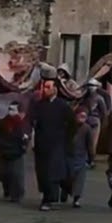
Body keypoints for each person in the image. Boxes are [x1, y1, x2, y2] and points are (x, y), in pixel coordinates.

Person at [29, 75, 75, 211]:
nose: (45, 90)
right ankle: (47, 194)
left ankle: (49, 199)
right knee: (42, 172)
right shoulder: (39, 105)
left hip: (56, 144)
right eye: (44, 87)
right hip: (41, 144)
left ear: (55, 89)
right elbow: (32, 121)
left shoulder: (62, 106)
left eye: (48, 87)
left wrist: (66, 139)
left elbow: (73, 124)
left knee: (52, 172)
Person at [0, 101, 29, 203]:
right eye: (10, 109)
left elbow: (25, 136)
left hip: (17, 151)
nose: (10, 111)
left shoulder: (22, 123)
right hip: (5, 150)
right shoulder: (4, 122)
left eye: (13, 109)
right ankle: (8, 190)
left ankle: (17, 195)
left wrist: (24, 144)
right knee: (3, 173)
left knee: (16, 174)